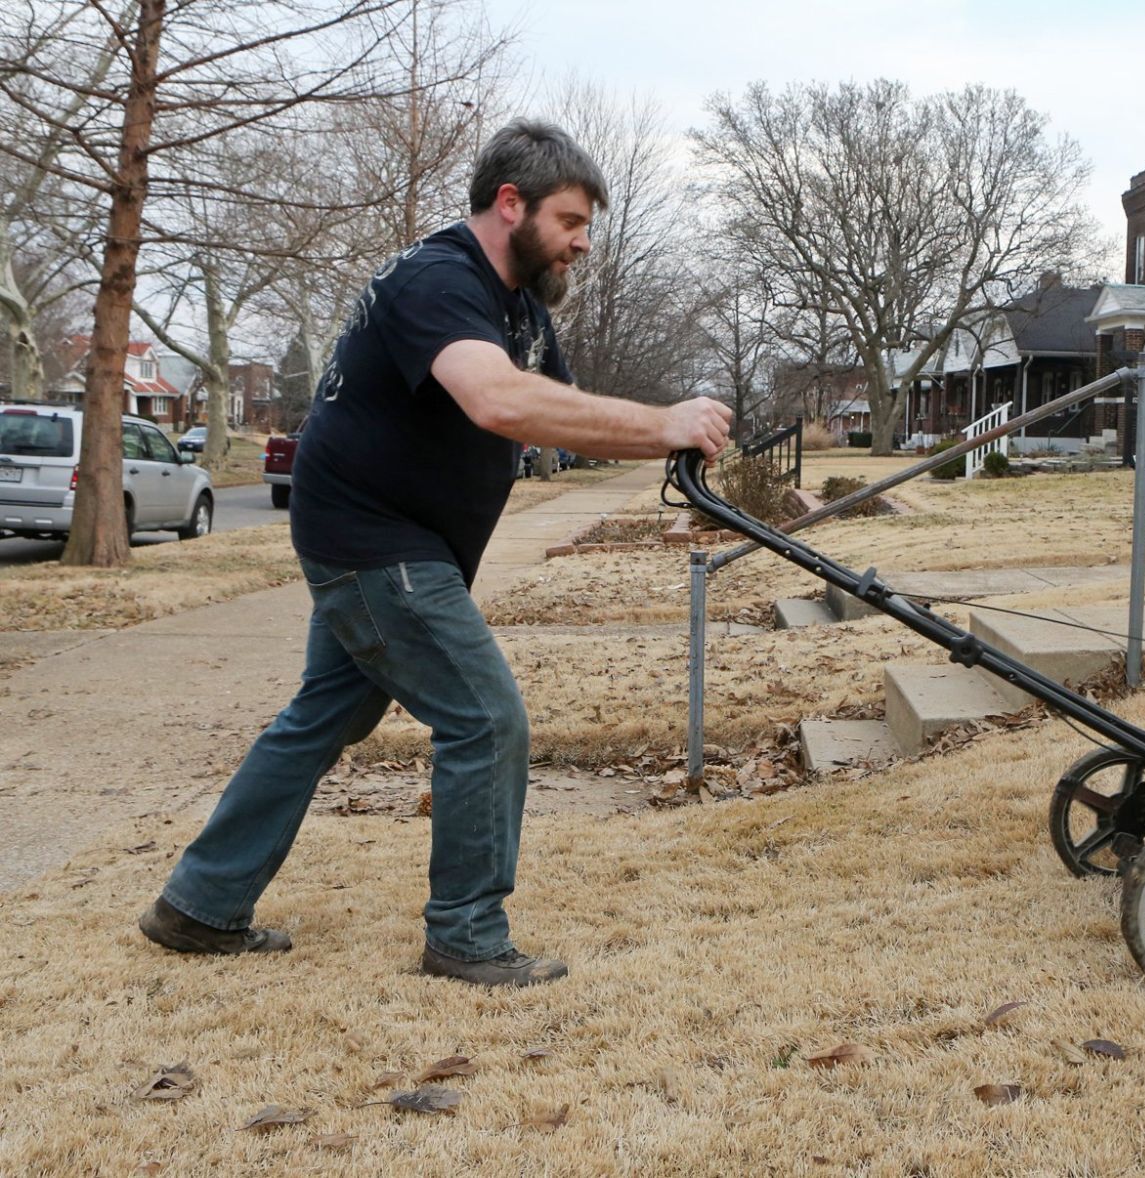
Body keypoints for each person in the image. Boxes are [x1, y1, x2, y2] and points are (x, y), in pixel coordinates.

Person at [138, 119, 733, 987]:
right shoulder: (436, 280)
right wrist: (664, 422)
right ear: (509, 204)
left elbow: (553, 409)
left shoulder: (518, 310)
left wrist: (663, 442)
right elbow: (496, 402)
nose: (581, 243)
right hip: (374, 541)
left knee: (325, 717)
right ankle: (465, 934)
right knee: (485, 719)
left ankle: (198, 903)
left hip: (410, 547)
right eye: (570, 221)